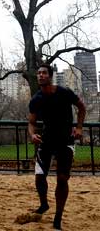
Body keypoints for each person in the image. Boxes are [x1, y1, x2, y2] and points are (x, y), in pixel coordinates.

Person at [28, 63, 86, 230]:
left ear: (50, 75)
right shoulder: (36, 99)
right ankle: (44, 204)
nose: (40, 75)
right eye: (38, 73)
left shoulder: (64, 92)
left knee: (62, 178)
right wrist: (32, 134)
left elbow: (81, 107)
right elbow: (31, 123)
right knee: (39, 177)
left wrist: (80, 127)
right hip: (46, 140)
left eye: (44, 73)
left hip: (65, 141)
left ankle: (58, 217)